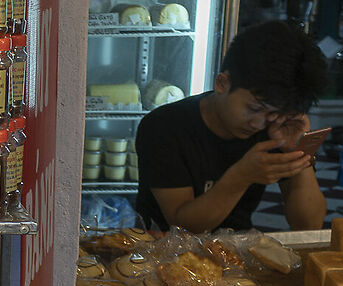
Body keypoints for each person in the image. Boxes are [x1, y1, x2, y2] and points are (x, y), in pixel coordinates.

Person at [134, 19, 329, 234]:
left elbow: (308, 225)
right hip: (160, 254)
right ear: (222, 83)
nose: (258, 123)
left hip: (235, 252)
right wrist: (241, 176)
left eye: (274, 113)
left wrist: (300, 151)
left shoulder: (275, 128)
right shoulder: (164, 127)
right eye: (254, 108)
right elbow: (182, 227)